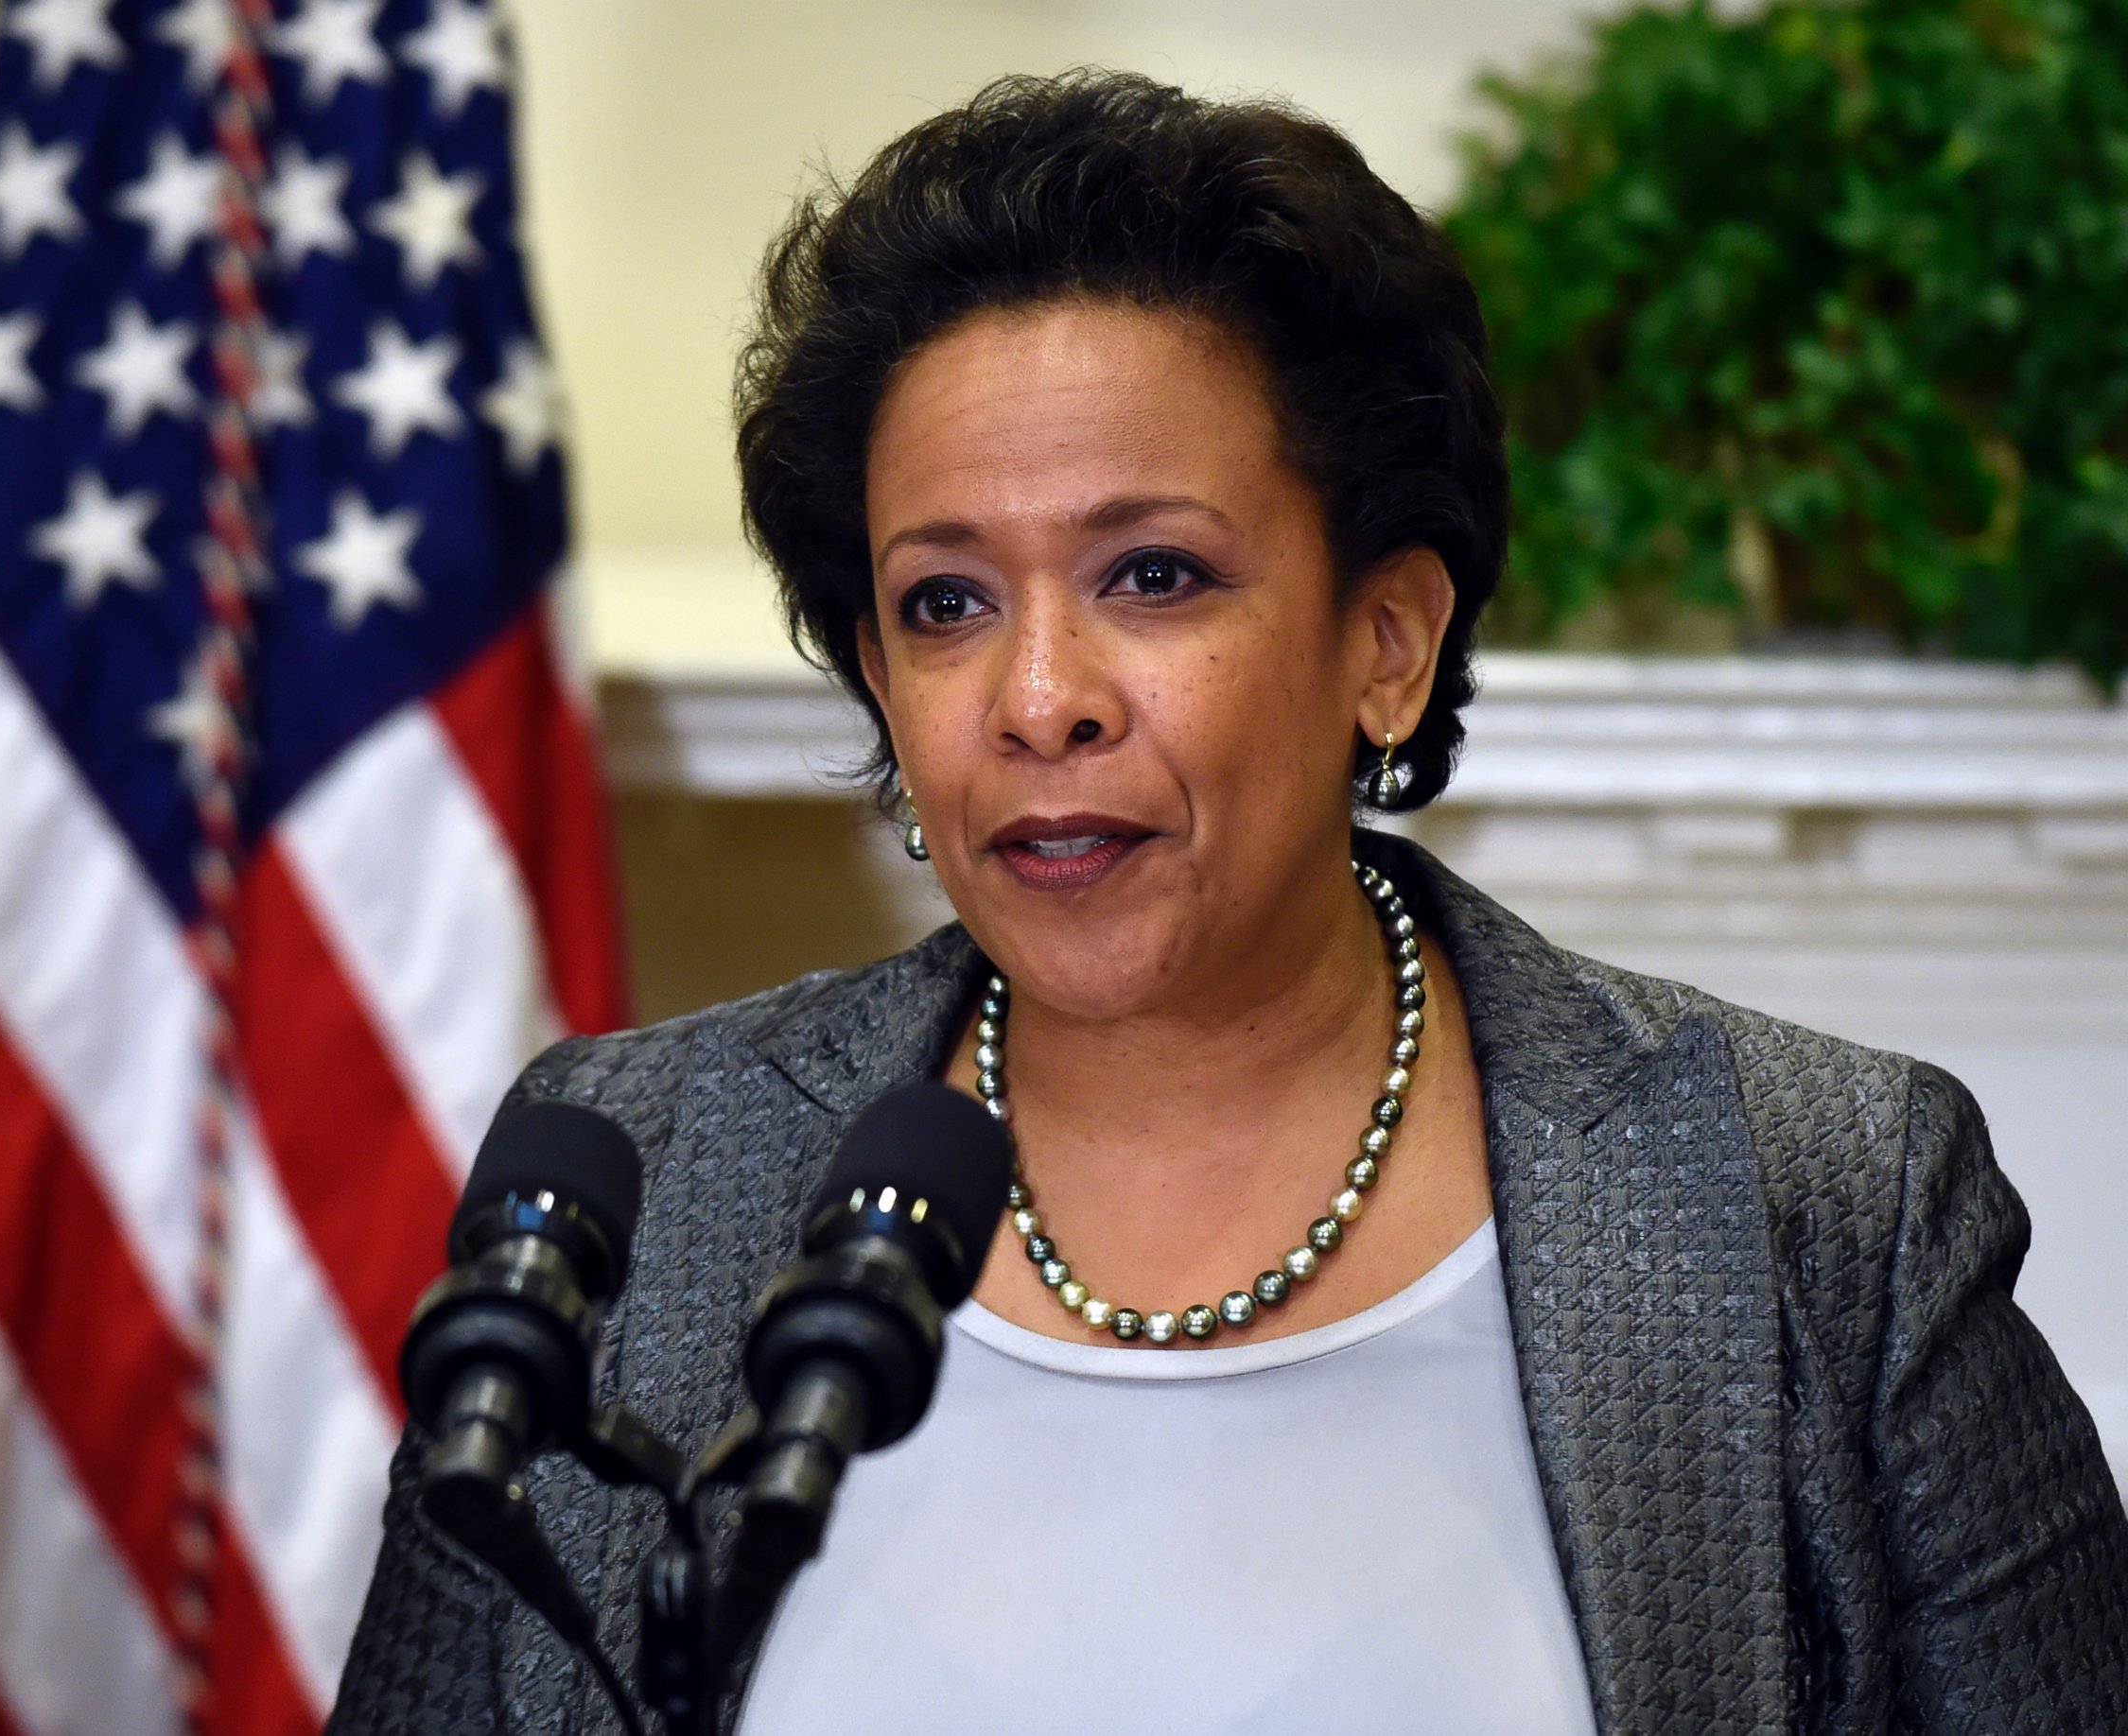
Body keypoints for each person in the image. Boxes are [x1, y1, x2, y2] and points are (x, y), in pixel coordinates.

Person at [328, 71, 2128, 1734]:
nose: (1040, 698)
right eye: (946, 604)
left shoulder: (1825, 1203)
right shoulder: (641, 1169)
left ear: (1389, 641)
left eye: (1154, 574)